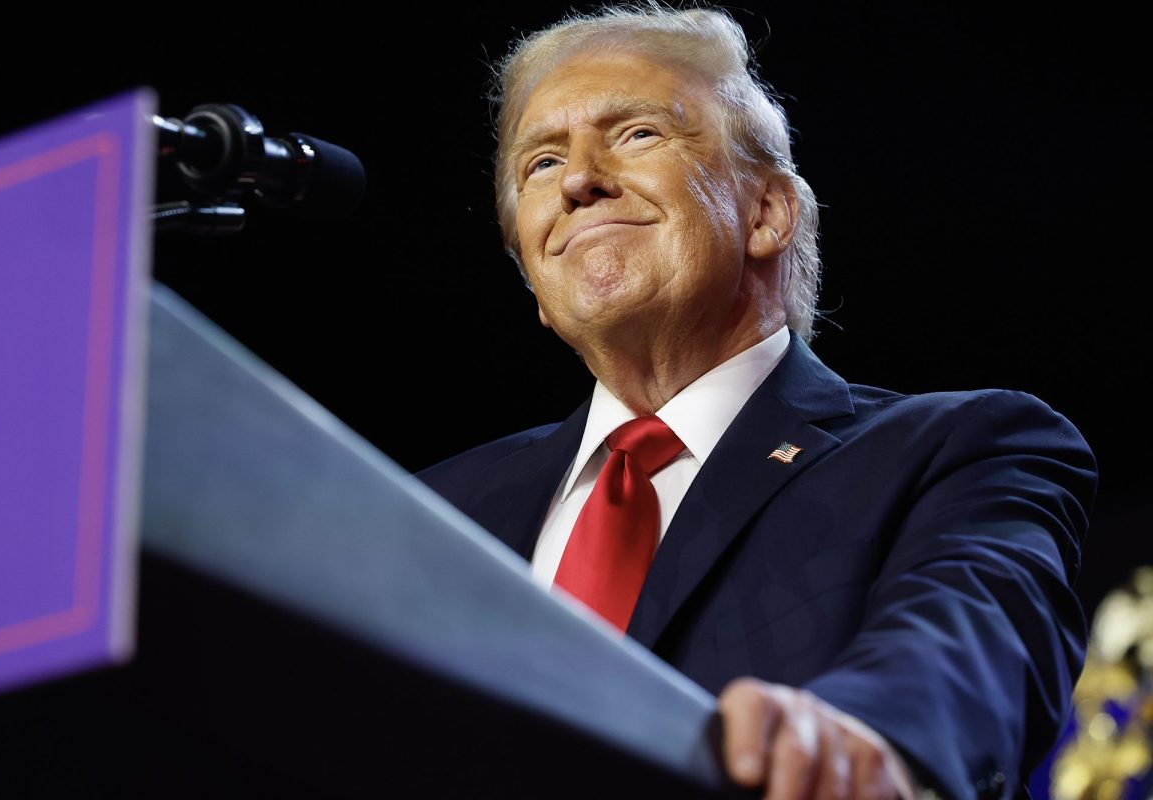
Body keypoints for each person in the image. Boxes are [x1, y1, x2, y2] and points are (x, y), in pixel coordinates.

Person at [418, 5, 1097, 800]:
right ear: (534, 274)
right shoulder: (432, 511)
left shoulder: (956, 450)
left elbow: (970, 635)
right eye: (539, 163)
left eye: (636, 134)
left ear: (767, 212)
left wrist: (863, 736)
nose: (577, 180)